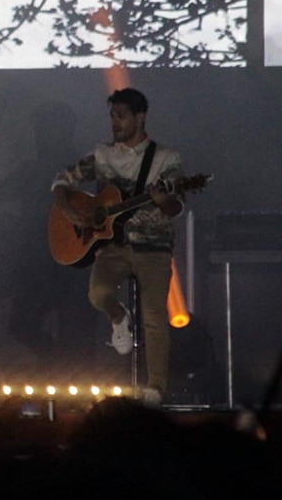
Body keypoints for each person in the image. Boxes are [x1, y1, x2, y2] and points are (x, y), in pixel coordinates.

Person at [51, 88, 184, 407]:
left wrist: (165, 201)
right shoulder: (103, 155)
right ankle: (118, 316)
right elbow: (62, 179)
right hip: (113, 247)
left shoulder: (167, 159)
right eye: (112, 116)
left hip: (153, 248)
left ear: (140, 117)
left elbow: (176, 206)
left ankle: (156, 388)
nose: (115, 123)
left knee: (154, 315)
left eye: (121, 116)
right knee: (97, 293)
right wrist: (68, 209)